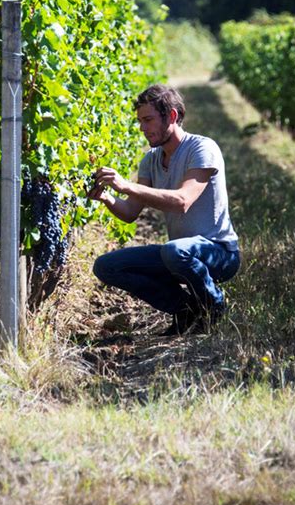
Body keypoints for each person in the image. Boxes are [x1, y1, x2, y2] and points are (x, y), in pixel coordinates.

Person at [88, 84, 240, 335]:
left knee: (173, 251)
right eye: (140, 121)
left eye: (148, 120)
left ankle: (214, 305)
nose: (142, 128)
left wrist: (126, 186)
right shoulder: (151, 159)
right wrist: (105, 197)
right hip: (179, 255)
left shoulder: (202, 149)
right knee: (106, 266)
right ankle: (185, 309)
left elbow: (182, 201)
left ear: (171, 116)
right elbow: (129, 213)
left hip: (219, 253)